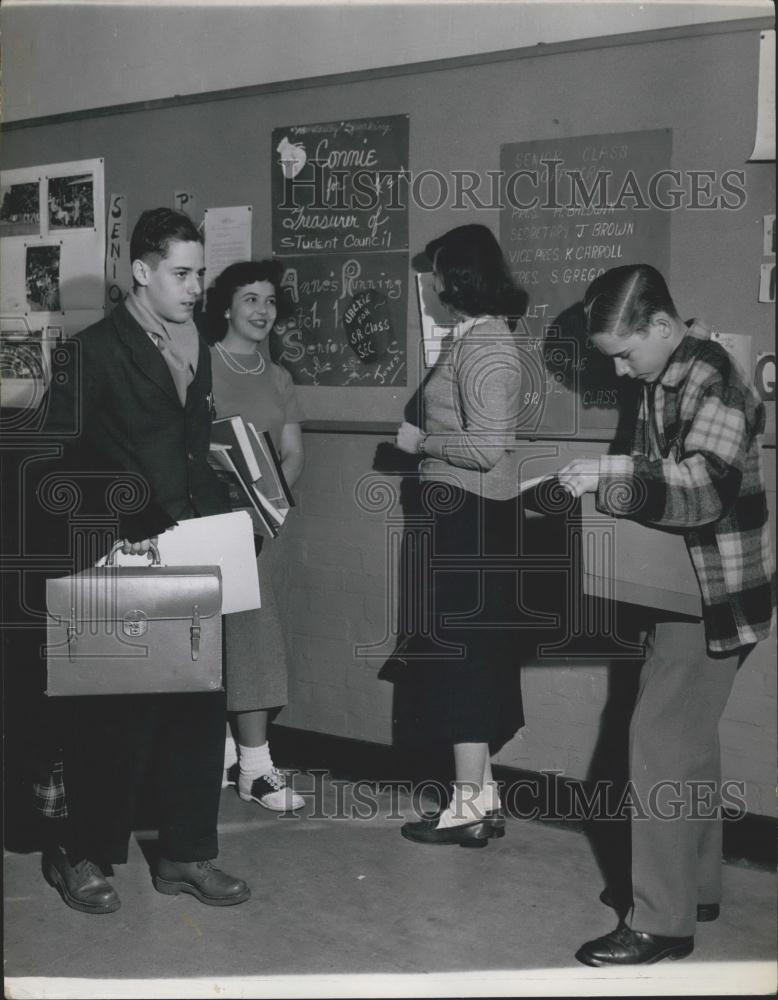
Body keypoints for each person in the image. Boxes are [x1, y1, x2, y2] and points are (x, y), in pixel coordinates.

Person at [558, 264, 775, 965]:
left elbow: (704, 487)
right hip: (688, 587)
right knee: (687, 741)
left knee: (657, 742)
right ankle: (694, 887)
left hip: (712, 591)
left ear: (660, 326)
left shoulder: (713, 376)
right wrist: (614, 473)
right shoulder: (669, 373)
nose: (620, 372)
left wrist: (613, 475)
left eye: (624, 353)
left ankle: (661, 923)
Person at [36, 207, 251, 913]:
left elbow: (193, 450)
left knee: (195, 705)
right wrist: (119, 513)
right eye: (182, 274)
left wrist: (243, 503)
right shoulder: (90, 353)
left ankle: (186, 854)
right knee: (111, 718)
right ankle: (82, 855)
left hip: (191, 546)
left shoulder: (196, 345)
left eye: (200, 274)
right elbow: (48, 463)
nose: (196, 288)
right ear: (141, 272)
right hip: (115, 553)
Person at [394, 224, 529, 847]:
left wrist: (424, 443)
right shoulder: (475, 336)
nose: (433, 287)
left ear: (460, 278)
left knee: (465, 660)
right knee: (469, 655)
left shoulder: (487, 343)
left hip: (470, 520)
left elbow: (485, 446)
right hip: (464, 516)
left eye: (439, 275)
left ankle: (468, 808)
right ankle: (484, 799)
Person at [204, 260, 305, 812]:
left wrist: (265, 506)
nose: (263, 310)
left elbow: (294, 453)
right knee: (204, 636)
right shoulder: (199, 367)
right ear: (225, 306)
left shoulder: (279, 376)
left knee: (254, 635)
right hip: (206, 520)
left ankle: (256, 769)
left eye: (269, 301)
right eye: (250, 299)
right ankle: (221, 753)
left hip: (263, 525)